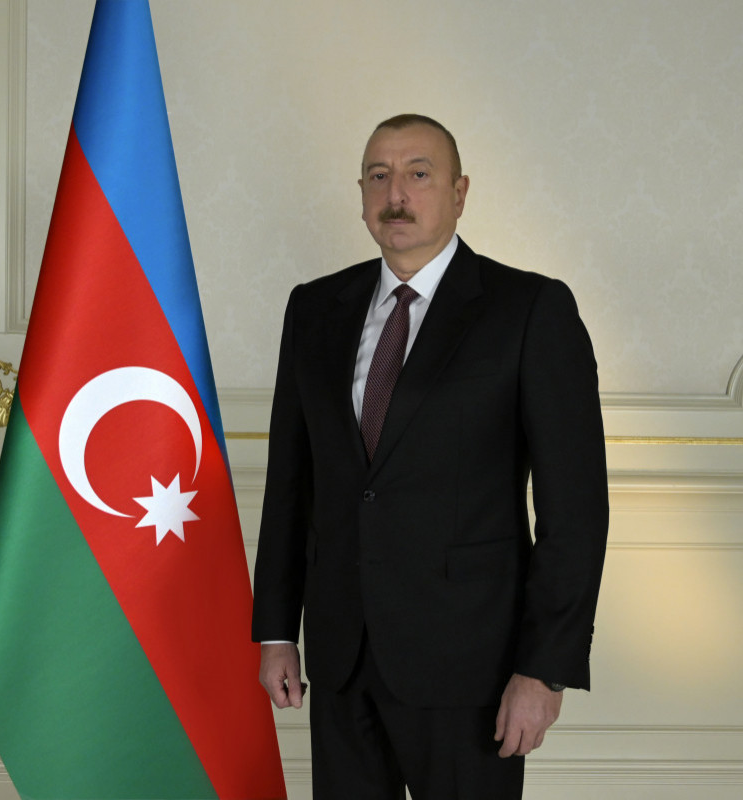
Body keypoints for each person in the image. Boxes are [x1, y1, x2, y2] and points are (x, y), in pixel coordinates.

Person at [251, 114, 609, 799]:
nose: (397, 194)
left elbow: (575, 510)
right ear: (361, 194)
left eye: (419, 174)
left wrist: (544, 670)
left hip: (471, 666)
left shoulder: (530, 309)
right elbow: (292, 482)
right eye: (379, 176)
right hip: (341, 653)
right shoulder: (315, 308)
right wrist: (276, 630)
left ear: (459, 191)